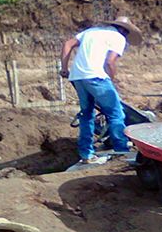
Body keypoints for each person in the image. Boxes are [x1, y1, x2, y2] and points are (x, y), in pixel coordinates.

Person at [60, 16, 143, 163]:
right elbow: (110, 62)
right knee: (116, 114)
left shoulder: (90, 32)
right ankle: (121, 150)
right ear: (125, 31)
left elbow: (67, 44)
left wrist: (65, 68)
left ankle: (86, 154)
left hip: (78, 77)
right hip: (97, 77)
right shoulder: (118, 37)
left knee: (86, 115)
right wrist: (110, 81)